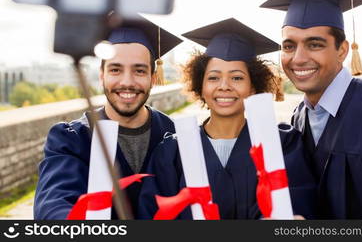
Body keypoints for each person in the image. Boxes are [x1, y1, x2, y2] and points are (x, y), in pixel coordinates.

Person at [260, 0, 362, 219]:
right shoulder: (299, 116)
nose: (298, 58)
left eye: (314, 44)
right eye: (289, 46)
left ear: (342, 50)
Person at [138, 18, 316, 219]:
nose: (224, 86)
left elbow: (299, 207)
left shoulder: (281, 145)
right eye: (213, 77)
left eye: (237, 77)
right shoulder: (172, 152)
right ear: (201, 86)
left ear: (253, 87)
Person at [34, 16, 182, 219]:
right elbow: (54, 203)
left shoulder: (176, 135)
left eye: (139, 70)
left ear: (153, 79)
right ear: (102, 75)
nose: (127, 81)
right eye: (115, 69)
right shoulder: (72, 139)